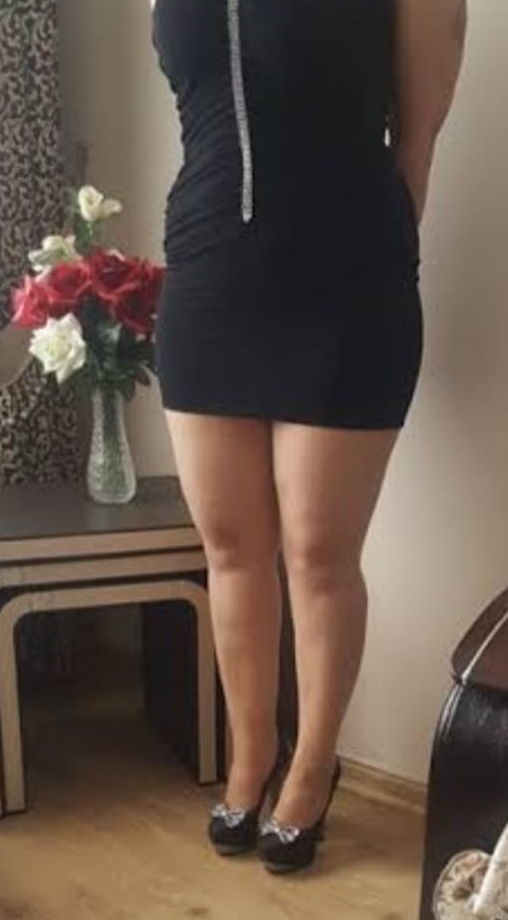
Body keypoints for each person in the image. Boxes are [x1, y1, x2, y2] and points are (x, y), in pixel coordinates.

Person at [152, 0, 466, 873]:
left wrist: (373, 255)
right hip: (208, 276)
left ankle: (312, 766)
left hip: (344, 280)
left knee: (318, 555)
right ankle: (250, 756)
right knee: (229, 547)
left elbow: (417, 139)